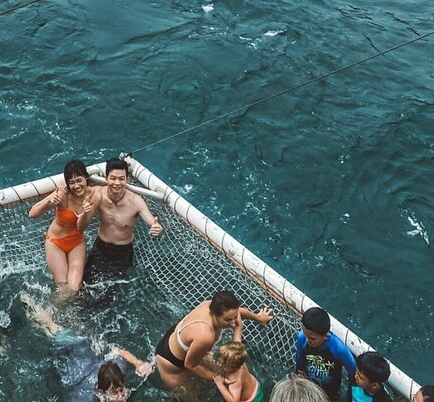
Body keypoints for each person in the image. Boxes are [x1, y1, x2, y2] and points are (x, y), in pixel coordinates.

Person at [20, 291, 152, 401]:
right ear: (101, 391)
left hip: (83, 349)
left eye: (121, 390)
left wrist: (138, 363)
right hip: (70, 353)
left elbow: (118, 352)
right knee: (50, 326)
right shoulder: (85, 396)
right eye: (114, 393)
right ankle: (29, 302)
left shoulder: (117, 370)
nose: (121, 397)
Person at [155, 290, 273, 391]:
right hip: (170, 363)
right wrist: (217, 378)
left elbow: (238, 313)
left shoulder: (212, 305)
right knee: (190, 396)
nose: (233, 323)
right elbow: (190, 365)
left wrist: (258, 317)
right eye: (228, 320)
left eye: (234, 317)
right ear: (215, 315)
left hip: (178, 338)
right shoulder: (205, 336)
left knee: (224, 370)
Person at [77, 157, 162, 283]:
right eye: (113, 178)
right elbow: (80, 226)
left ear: (127, 179)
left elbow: (152, 222)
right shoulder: (98, 194)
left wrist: (157, 228)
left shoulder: (135, 201)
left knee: (110, 291)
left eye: (121, 179)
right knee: (85, 284)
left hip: (123, 252)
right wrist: (84, 211)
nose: (117, 183)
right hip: (100, 247)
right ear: (106, 178)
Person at [29, 160, 101, 293]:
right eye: (72, 183)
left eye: (79, 180)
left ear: (86, 178)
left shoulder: (94, 196)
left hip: (77, 242)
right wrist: (49, 202)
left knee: (73, 288)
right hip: (56, 242)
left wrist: (85, 212)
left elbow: (80, 228)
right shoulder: (62, 194)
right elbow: (32, 213)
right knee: (62, 288)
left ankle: (66, 311)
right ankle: (41, 311)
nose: (76, 186)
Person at [294, 307, 356, 401]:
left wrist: (350, 398)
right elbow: (299, 360)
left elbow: (353, 373)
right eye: (305, 334)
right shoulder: (302, 337)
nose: (307, 340)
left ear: (326, 336)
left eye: (312, 338)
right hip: (308, 386)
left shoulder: (339, 349)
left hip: (330, 393)